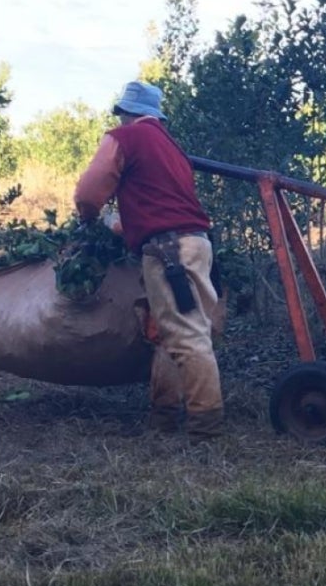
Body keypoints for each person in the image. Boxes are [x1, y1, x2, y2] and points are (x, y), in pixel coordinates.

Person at [74, 81, 225, 440]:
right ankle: (165, 416)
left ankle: (207, 430)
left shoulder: (125, 139)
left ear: (126, 113)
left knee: (188, 338)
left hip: (169, 253)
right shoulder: (172, 148)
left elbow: (89, 190)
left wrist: (89, 216)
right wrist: (121, 227)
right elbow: (161, 208)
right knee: (172, 335)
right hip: (192, 244)